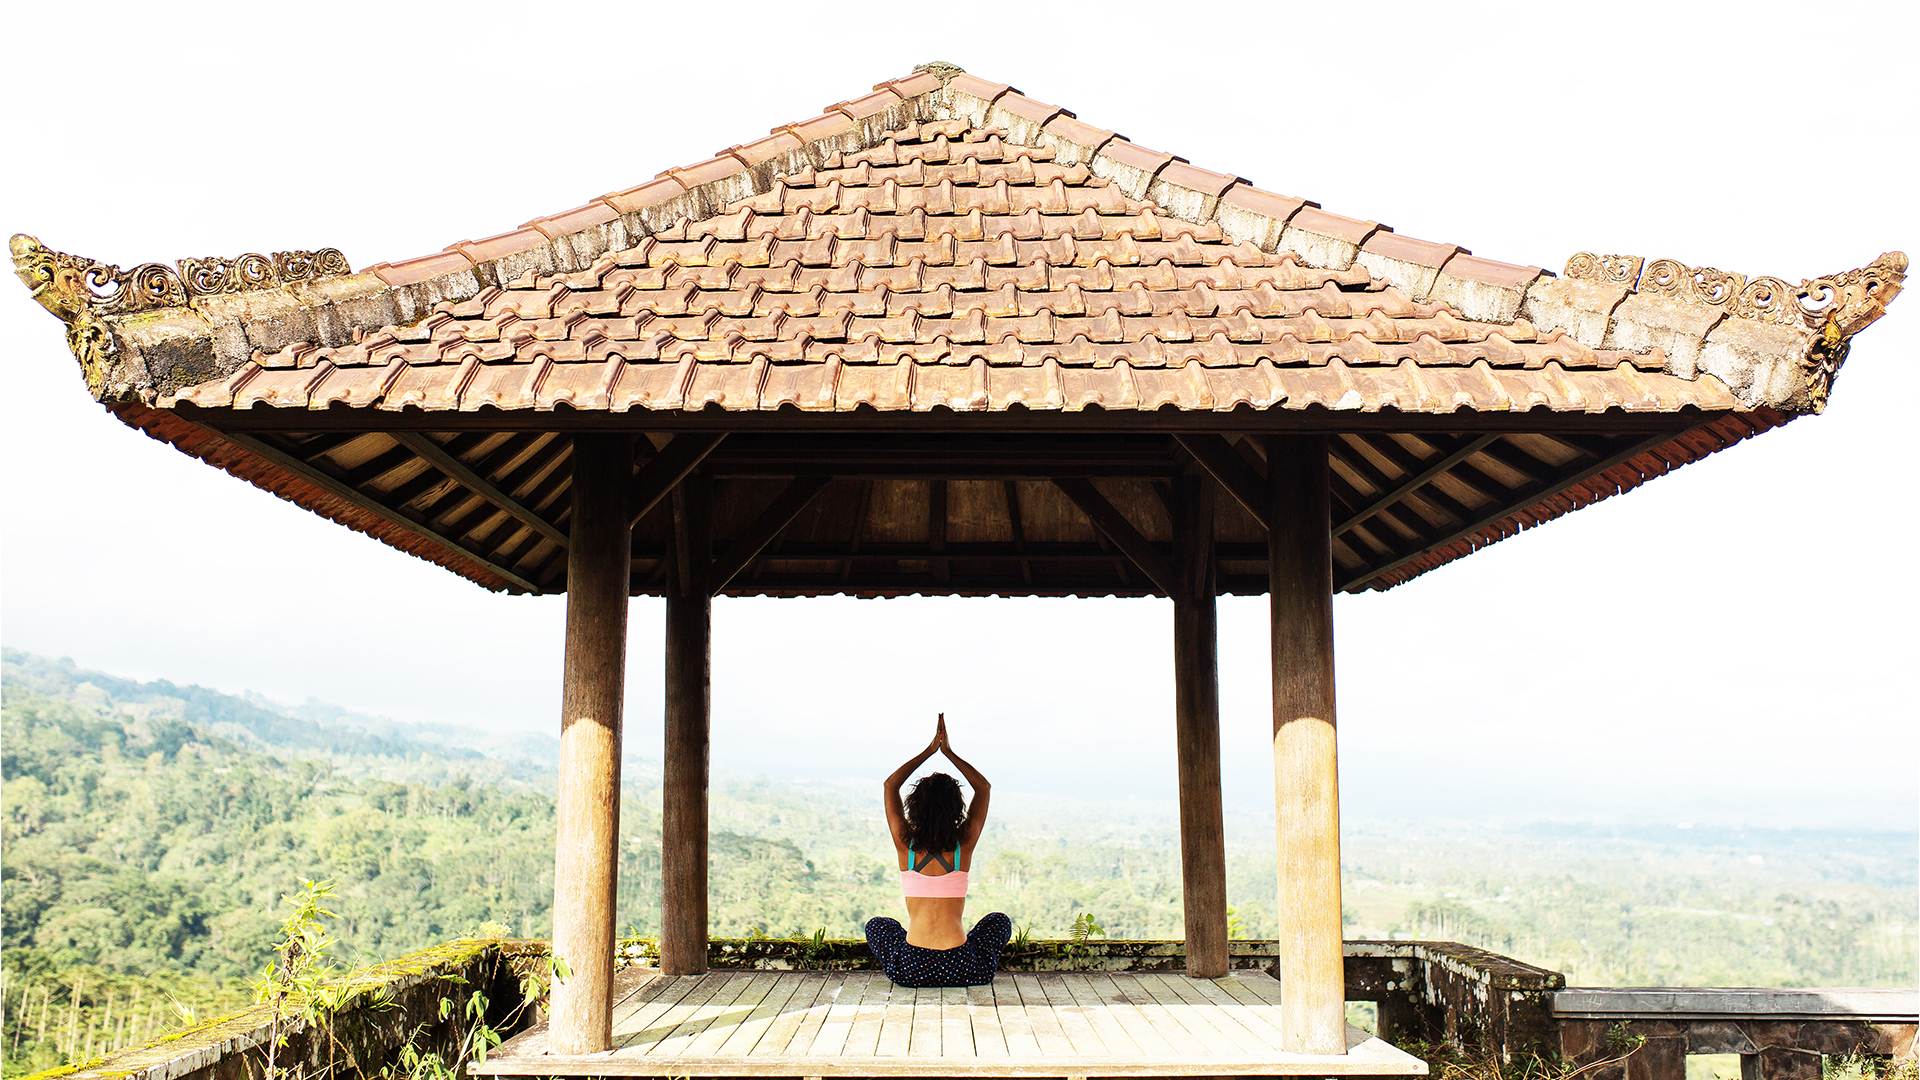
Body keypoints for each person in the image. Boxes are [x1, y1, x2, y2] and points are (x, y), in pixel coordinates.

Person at [864, 714, 1010, 988]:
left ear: (915, 807)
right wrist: (949, 753)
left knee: (878, 924)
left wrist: (929, 751)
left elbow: (890, 785)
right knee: (998, 921)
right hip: (963, 968)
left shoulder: (905, 846)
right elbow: (983, 787)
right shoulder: (963, 846)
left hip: (911, 969)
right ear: (956, 809)